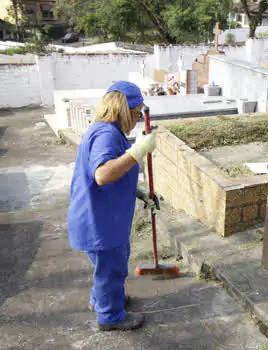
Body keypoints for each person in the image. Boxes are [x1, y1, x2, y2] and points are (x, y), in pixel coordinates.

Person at [67, 81, 159, 331]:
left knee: (106, 269)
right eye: (137, 112)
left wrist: (138, 191)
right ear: (125, 109)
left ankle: (102, 301)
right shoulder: (107, 134)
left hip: (100, 216)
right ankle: (110, 316)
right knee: (112, 270)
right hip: (101, 221)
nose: (138, 118)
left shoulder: (105, 130)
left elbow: (115, 173)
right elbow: (103, 174)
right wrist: (137, 152)